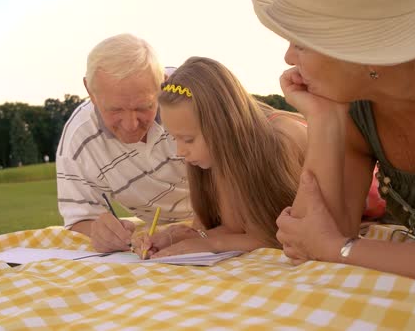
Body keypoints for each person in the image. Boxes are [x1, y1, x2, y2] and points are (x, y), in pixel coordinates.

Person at [253, 0, 415, 302]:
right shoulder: (360, 99)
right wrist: (325, 120)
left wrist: (339, 249)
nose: (288, 58)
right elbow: (305, 241)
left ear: (366, 48)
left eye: (300, 43)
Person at [132, 56, 308, 258]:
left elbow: (276, 235)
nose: (180, 151)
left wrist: (210, 243)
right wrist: (181, 237)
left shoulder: (279, 143)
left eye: (188, 139)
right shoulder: (215, 159)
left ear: (222, 126)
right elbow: (235, 229)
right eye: (175, 138)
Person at [56, 34, 193, 253]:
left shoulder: (191, 94)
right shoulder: (78, 139)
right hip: (162, 236)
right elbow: (79, 219)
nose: (131, 125)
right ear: (90, 90)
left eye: (143, 107)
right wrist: (100, 232)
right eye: (115, 110)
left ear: (163, 83)